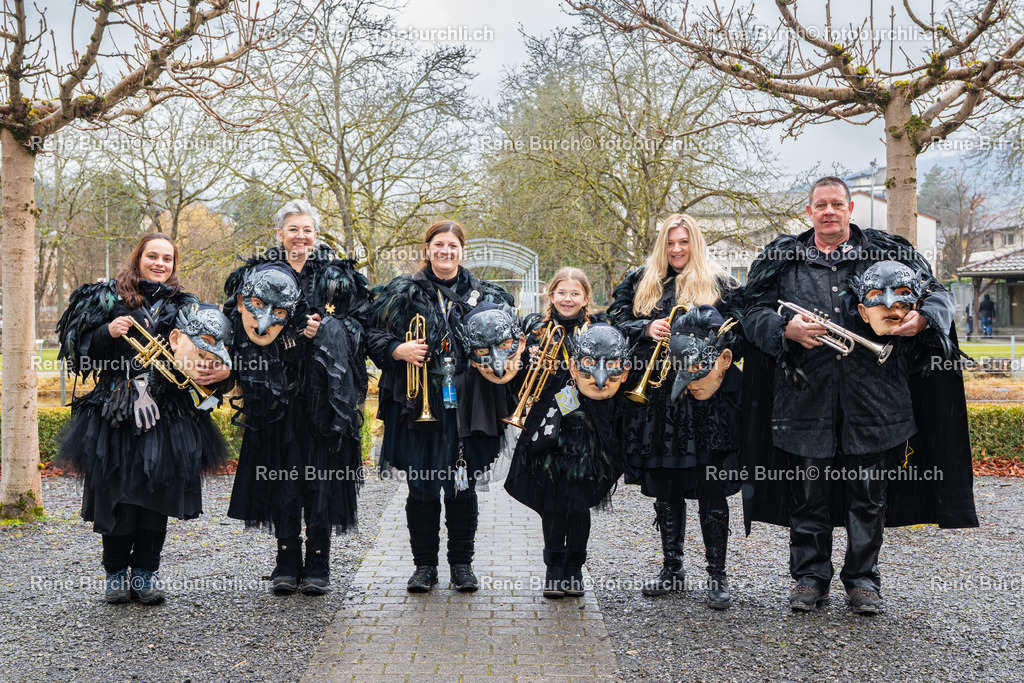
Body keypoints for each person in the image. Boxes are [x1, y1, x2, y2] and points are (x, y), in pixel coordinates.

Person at [741, 176, 977, 615]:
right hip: (804, 399)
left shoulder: (889, 253)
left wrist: (923, 319)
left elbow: (939, 294)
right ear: (808, 212)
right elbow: (749, 311)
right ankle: (810, 579)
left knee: (868, 497)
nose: (828, 212)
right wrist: (784, 329)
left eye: (837, 204)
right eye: (820, 205)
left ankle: (863, 580)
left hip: (875, 399)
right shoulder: (783, 260)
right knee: (807, 495)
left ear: (850, 209)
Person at [56, 233, 233, 604]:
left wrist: (220, 372)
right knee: (118, 495)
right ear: (138, 258)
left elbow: (209, 353)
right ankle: (116, 573)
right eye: (153, 256)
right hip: (115, 410)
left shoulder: (185, 306)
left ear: (174, 264)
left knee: (157, 495)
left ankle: (146, 573)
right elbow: (76, 349)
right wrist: (108, 330)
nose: (160, 264)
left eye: (167, 259)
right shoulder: (106, 296)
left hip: (167, 411)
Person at [225, 200, 370, 596]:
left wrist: (327, 330)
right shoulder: (256, 276)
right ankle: (286, 560)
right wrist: (284, 330)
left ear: (316, 235)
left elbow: (362, 325)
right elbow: (240, 325)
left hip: (327, 398)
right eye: (293, 229)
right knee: (282, 475)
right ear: (279, 235)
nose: (300, 236)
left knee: (322, 477)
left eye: (307, 229)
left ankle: (319, 563)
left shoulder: (338, 278)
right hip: (276, 397)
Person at [366, 219, 517, 593]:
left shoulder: (486, 294)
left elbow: (510, 338)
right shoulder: (401, 291)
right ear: (428, 249)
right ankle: (424, 567)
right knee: (421, 487)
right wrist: (396, 349)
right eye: (439, 245)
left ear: (462, 251)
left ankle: (462, 565)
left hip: (470, 403)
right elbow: (369, 333)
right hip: (417, 403)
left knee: (462, 486)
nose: (446, 252)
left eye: (453, 246)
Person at [607, 214, 741, 609]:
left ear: (695, 243)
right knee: (666, 488)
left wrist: (708, 337)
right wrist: (645, 329)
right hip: (658, 401)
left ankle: (717, 575)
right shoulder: (639, 281)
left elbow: (740, 333)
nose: (677, 249)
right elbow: (613, 323)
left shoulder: (721, 283)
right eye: (670, 243)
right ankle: (672, 568)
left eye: (684, 242)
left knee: (711, 488)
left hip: (705, 402)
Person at [503, 269, 627, 599]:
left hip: (587, 426)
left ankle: (575, 570)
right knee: (554, 501)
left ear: (586, 298)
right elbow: (516, 382)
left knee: (579, 504)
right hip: (548, 425)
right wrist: (527, 361)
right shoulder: (536, 330)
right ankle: (553, 570)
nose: (567, 299)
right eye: (561, 293)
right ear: (550, 295)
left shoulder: (599, 330)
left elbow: (611, 376)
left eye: (575, 293)